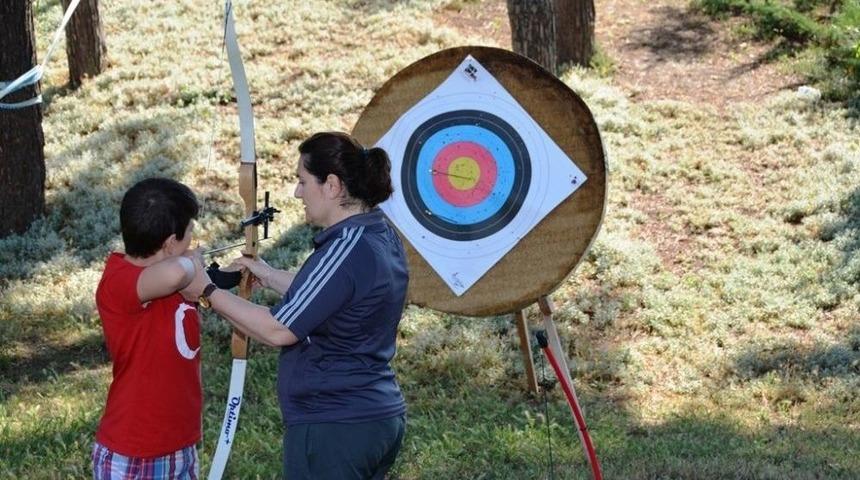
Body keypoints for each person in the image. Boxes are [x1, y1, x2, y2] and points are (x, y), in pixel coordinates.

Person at [181, 131, 409, 479]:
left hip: (335, 426)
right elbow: (336, 295)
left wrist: (207, 290)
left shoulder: (344, 250)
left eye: (303, 181)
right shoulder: (375, 232)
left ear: (332, 185)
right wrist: (269, 275)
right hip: (372, 420)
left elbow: (278, 330)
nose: (297, 192)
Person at [92, 178, 203, 479]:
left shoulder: (174, 272)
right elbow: (175, 274)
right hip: (134, 452)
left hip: (179, 446)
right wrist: (194, 264)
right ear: (169, 243)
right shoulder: (118, 280)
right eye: (189, 232)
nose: (192, 241)